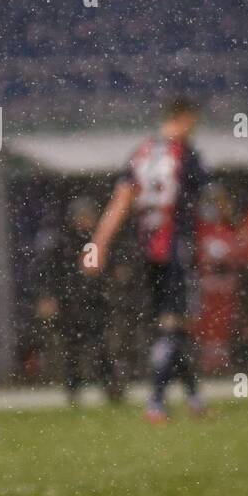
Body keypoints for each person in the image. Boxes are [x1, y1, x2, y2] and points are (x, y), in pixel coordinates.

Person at [86, 96, 207, 422]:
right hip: (177, 250)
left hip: (146, 252)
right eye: (192, 123)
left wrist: (98, 244)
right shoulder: (186, 155)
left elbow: (121, 200)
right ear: (182, 119)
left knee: (171, 326)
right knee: (174, 326)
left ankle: (195, 400)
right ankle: (156, 402)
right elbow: (204, 204)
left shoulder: (140, 153)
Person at [36, 196, 121, 404]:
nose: (86, 221)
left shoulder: (96, 242)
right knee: (72, 348)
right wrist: (50, 297)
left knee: (100, 347)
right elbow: (51, 272)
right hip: (70, 303)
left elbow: (104, 271)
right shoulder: (62, 242)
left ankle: (110, 386)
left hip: (93, 302)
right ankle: (73, 388)